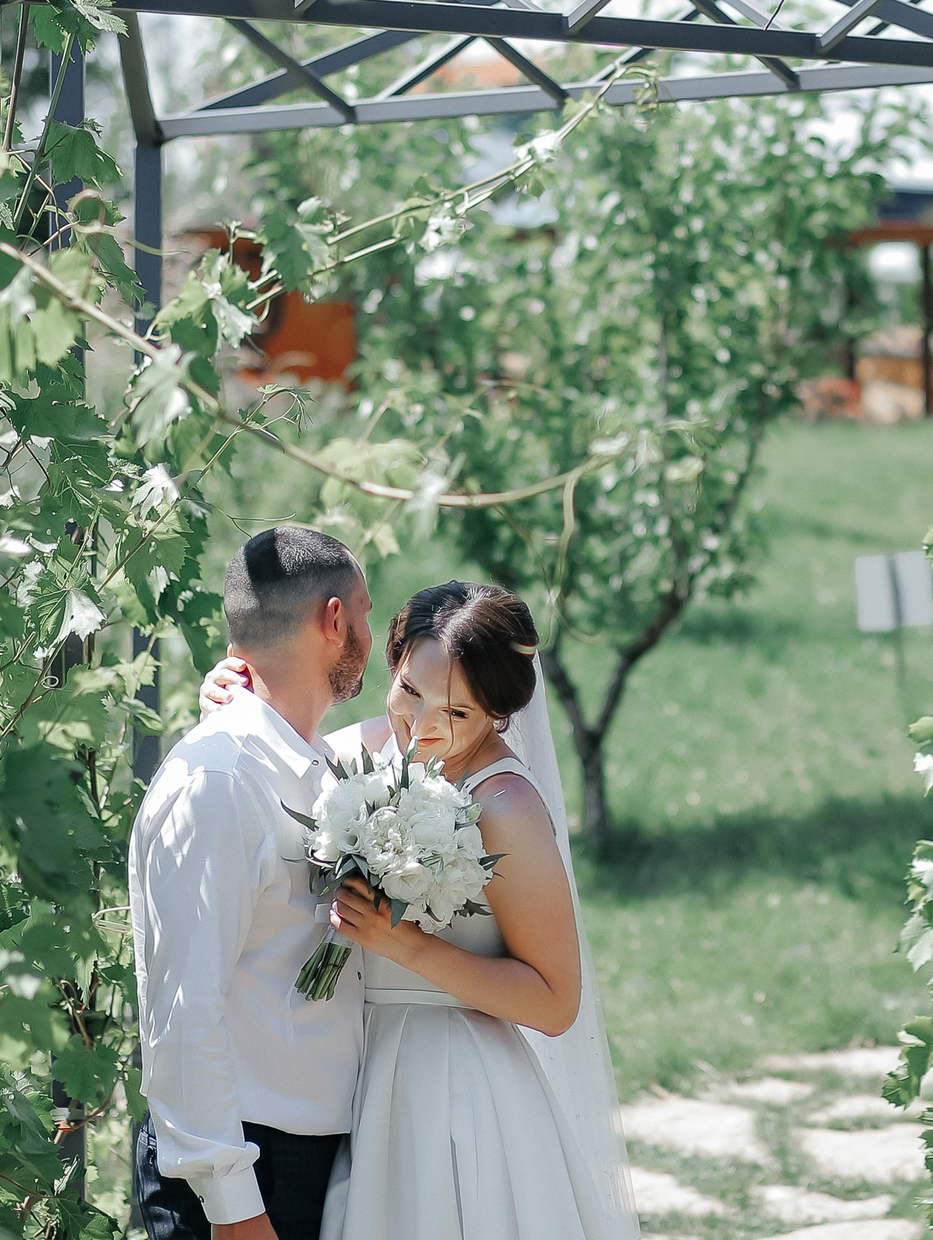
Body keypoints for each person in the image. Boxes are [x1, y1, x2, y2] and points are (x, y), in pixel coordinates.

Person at [197, 580, 639, 1240]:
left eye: (458, 714)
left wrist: (403, 943)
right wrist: (230, 710)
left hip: (454, 1094)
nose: (423, 725)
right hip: (358, 1077)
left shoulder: (506, 806)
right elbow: (263, 780)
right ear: (394, 660)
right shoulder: (361, 749)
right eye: (410, 690)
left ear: (498, 714)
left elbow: (555, 1000)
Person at [130, 526, 374, 1240]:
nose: (366, 628)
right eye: (363, 610)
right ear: (334, 619)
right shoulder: (219, 782)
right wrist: (238, 1211)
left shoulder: (311, 764)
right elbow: (185, 1008)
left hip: (304, 1162)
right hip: (242, 1175)